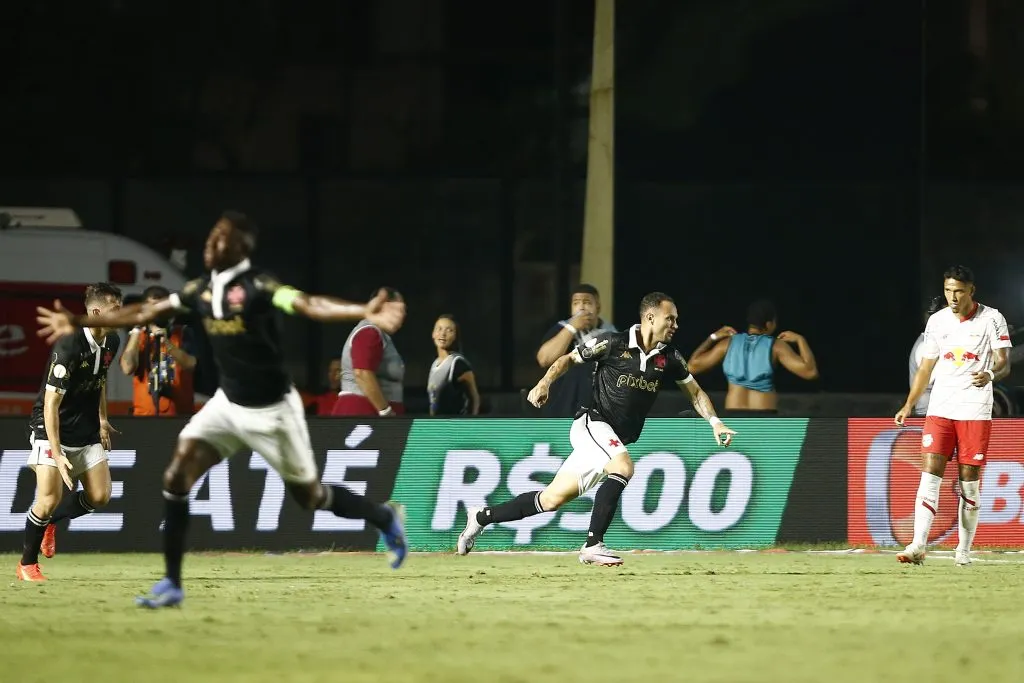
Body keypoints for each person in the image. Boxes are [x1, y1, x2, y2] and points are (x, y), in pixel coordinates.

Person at [36, 210, 409, 607]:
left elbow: (308, 304)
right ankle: (173, 584)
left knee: (311, 497)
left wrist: (360, 311)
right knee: (176, 477)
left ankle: (384, 517)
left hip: (273, 411)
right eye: (211, 235)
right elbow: (145, 312)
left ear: (241, 247)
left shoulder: (259, 286)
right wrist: (77, 319)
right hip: (228, 405)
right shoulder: (201, 290)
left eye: (221, 238)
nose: (211, 243)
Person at [457, 292, 736, 566]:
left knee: (551, 499)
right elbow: (567, 359)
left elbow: (696, 394)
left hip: (609, 440)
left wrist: (715, 422)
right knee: (624, 467)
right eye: (670, 318)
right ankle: (593, 545)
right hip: (592, 424)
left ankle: (481, 517)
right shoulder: (612, 343)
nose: (675, 325)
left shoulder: (670, 358)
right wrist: (544, 383)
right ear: (650, 317)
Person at [894, 265, 1012, 566]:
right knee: (929, 477)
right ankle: (918, 545)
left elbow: (1004, 363)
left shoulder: (993, 319)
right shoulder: (937, 321)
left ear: (971, 290)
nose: (953, 297)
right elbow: (926, 367)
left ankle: (963, 550)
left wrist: (989, 373)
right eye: (948, 290)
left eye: (959, 291)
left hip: (974, 410)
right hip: (940, 409)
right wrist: (909, 404)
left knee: (968, 484)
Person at [17, 283, 124, 582]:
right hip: (51, 427)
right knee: (48, 499)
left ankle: (52, 523)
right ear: (95, 312)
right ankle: (27, 564)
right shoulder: (69, 346)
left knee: (100, 496)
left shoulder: (112, 341)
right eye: (116, 309)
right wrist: (57, 452)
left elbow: (99, 380)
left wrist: (102, 420)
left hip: (86, 427)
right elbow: (51, 404)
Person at [687, 299, 818, 412]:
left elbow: (692, 366)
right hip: (763, 416)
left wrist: (713, 337)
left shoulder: (727, 344)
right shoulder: (776, 346)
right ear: (769, 324)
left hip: (733, 414)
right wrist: (801, 340)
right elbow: (810, 372)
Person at [534, 284, 617, 417]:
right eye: (576, 303)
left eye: (587, 302)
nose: (582, 307)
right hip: (560, 410)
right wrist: (571, 328)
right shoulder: (561, 329)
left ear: (598, 307)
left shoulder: (610, 333)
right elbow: (544, 359)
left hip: (597, 413)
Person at [120, 285, 198, 416]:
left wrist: (167, 343)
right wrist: (136, 330)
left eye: (160, 307)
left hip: (179, 417)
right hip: (144, 417)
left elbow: (191, 364)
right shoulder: (137, 337)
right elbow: (127, 368)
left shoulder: (182, 333)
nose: (155, 312)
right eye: (151, 307)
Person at [333, 288, 407, 417]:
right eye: (398, 309)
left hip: (371, 415)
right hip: (362, 415)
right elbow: (362, 373)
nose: (403, 314)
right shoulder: (369, 331)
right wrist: (385, 411)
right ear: (381, 307)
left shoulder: (380, 334)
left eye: (403, 310)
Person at [428, 314, 480, 416]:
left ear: (455, 336)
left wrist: (470, 425)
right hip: (436, 427)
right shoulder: (434, 364)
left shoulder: (458, 363)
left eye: (449, 330)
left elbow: (474, 398)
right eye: (439, 329)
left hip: (454, 427)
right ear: (433, 334)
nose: (443, 334)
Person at [908, 295, 947, 417]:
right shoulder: (925, 345)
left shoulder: (940, 342)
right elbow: (931, 379)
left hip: (942, 411)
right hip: (931, 412)